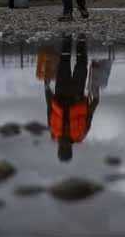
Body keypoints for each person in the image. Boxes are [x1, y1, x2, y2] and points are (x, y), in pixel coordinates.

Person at [43, 34, 101, 162]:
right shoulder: (81, 134)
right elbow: (89, 115)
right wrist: (95, 99)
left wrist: (47, 88)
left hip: (61, 91)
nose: (63, 145)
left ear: (58, 148)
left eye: (61, 148)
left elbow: (49, 108)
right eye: (66, 148)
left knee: (63, 62)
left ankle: (67, 38)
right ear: (70, 148)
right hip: (77, 93)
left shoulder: (53, 132)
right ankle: (81, 39)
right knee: (81, 64)